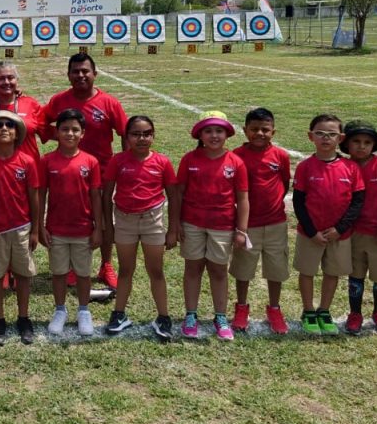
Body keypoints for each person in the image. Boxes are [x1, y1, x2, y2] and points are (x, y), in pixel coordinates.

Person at [43, 53, 127, 290]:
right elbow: (40, 122)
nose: (80, 75)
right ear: (68, 75)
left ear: (94, 74)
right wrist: (54, 136)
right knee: (71, 217)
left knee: (103, 221)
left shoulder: (109, 103)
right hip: (68, 173)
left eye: (85, 71)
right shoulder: (59, 101)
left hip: (101, 173)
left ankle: (106, 264)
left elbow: (124, 133)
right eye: (75, 71)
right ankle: (70, 267)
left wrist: (124, 166)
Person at [168, 110, 249, 342]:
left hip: (223, 226)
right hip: (192, 224)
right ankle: (191, 315)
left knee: (218, 270)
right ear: (200, 135)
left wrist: (241, 230)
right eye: (208, 131)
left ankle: (220, 316)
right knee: (193, 268)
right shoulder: (189, 159)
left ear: (227, 134)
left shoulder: (236, 163)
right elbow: (179, 194)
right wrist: (176, 224)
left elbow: (242, 198)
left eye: (219, 131)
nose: (214, 135)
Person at [101, 115, 179, 341]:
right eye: (136, 134)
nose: (141, 138)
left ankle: (163, 316)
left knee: (156, 271)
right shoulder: (118, 161)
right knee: (126, 270)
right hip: (124, 221)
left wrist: (172, 229)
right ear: (126, 137)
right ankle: (119, 314)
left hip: (152, 221)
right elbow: (107, 195)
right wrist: (109, 227)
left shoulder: (162, 162)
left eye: (147, 134)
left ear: (153, 136)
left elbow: (173, 196)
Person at [292, 114, 365, 336]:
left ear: (340, 138)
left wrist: (339, 229)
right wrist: (312, 231)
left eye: (332, 134)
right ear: (310, 136)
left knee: (332, 273)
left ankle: (324, 310)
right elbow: (298, 202)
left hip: (338, 235)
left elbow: (357, 201)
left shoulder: (350, 167)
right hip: (310, 234)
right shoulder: (305, 167)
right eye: (320, 133)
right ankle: (308, 310)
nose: (326, 138)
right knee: (307, 272)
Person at [0, 110, 41, 346]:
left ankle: (24, 318)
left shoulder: (27, 162)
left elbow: (33, 197)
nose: (4, 128)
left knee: (23, 274)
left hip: (22, 227)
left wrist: (35, 229)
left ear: (17, 134)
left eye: (9, 125)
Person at [39, 108, 103, 337]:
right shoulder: (47, 161)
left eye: (75, 129)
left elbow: (95, 196)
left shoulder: (90, 162)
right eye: (64, 129)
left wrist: (98, 227)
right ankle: (60, 310)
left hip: (83, 229)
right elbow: (41, 195)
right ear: (56, 132)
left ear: (83, 133)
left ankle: (84, 311)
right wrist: (40, 226)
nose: (69, 134)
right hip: (57, 229)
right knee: (58, 272)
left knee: (83, 273)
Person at [228, 108, 292, 335]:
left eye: (265, 129)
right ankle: (241, 307)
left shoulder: (281, 156)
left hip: (275, 223)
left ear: (273, 131)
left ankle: (274, 309)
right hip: (247, 225)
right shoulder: (236, 156)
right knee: (243, 269)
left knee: (276, 269)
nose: (260, 134)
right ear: (245, 130)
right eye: (254, 129)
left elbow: (284, 183)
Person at [341, 120, 377, 337]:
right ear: (346, 144)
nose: (361, 146)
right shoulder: (345, 166)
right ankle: (355, 313)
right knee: (355, 275)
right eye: (356, 141)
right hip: (355, 232)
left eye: (367, 142)